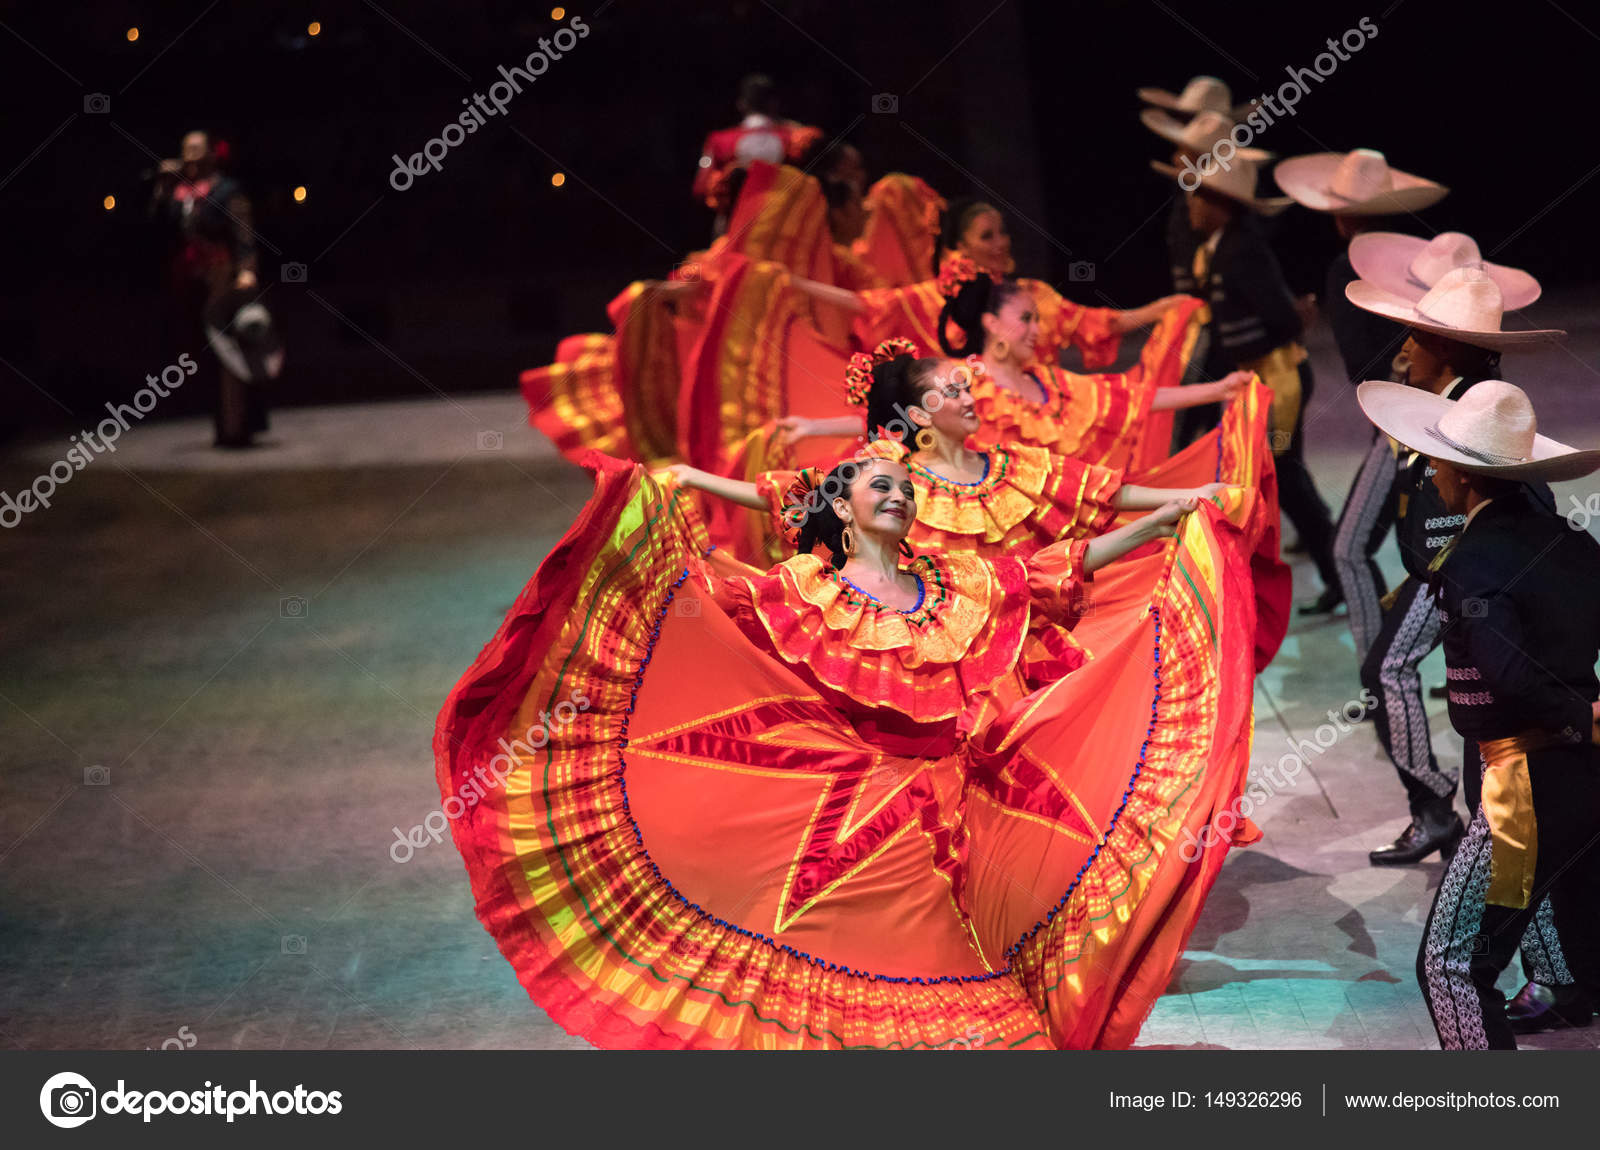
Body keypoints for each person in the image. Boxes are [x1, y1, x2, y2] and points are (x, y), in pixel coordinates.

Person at [433, 430, 1265, 1048]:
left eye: (905, 487)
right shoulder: (802, 588)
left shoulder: (958, 581)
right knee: (932, 986)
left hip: (970, 803)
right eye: (879, 485)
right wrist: (644, 514)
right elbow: (704, 609)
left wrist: (1169, 521)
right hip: (864, 817)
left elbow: (1060, 566)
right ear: (841, 507)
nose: (899, 495)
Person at [1355, 378, 1600, 1049]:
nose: (1430, 473)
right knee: (1571, 931)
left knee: (1451, 965)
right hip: (1585, 776)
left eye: (1437, 461)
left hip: (1524, 784)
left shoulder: (1473, 561)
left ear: (1463, 474)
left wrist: (1578, 715)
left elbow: (1509, 676)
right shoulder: (1573, 542)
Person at [1344, 268, 1565, 866]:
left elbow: (1476, 521)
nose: (1404, 347)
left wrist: (1441, 579)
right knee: (1406, 675)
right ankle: (1450, 817)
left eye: (1417, 337)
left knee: (1391, 670)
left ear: (1446, 348)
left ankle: (1440, 814)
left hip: (1462, 571)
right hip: (1451, 569)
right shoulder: (1453, 398)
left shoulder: (1475, 409)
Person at [1153, 150, 1343, 611]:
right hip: (1259, 379)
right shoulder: (1219, 248)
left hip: (1279, 378)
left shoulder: (1242, 250)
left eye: (1199, 197)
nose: (1191, 205)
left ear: (1221, 204)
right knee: (1279, 479)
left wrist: (1292, 320)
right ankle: (1330, 569)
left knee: (1287, 479)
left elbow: (1281, 320)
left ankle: (1339, 571)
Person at [1274, 149, 1450, 623]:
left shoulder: (1348, 267)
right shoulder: (1425, 255)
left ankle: (1382, 652)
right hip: (1451, 413)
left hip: (1399, 425)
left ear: (1343, 217)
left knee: (1351, 547)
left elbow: (1362, 366)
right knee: (1443, 543)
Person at [148, 129, 263, 448]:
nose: (190, 157)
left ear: (211, 155)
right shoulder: (177, 194)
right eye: (186, 150)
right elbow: (157, 230)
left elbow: (243, 232)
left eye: (197, 150)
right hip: (187, 281)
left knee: (227, 350)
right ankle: (218, 422)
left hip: (220, 276)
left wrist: (247, 269)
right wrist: (161, 187)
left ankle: (235, 427)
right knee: (197, 354)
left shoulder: (226, 190)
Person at [691, 74, 821, 234]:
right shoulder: (796, 137)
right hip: (785, 229)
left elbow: (701, 188)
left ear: (741, 104)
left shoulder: (719, 140)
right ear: (774, 103)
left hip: (735, 230)